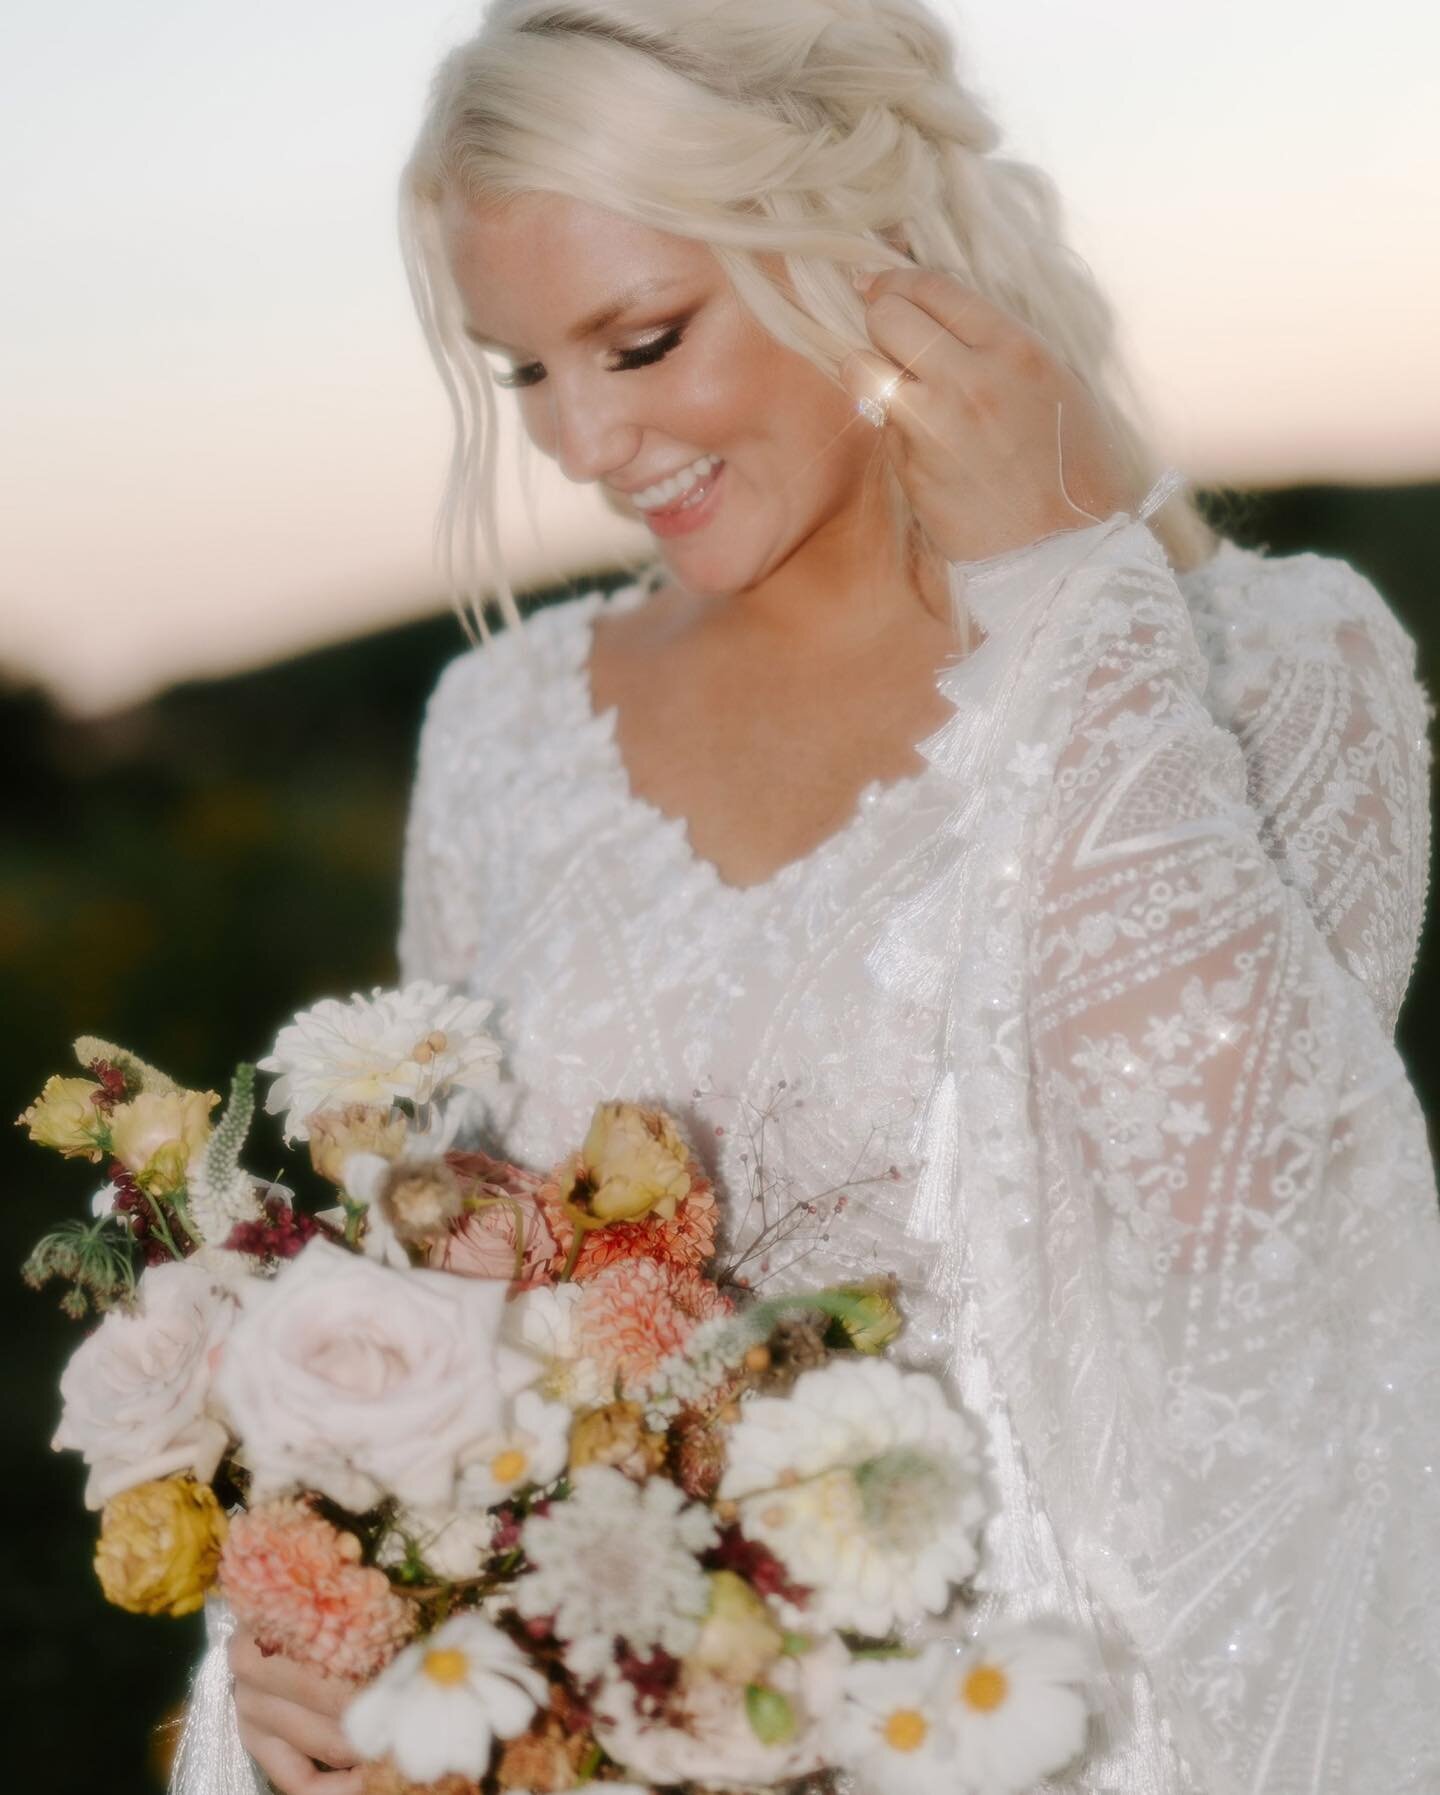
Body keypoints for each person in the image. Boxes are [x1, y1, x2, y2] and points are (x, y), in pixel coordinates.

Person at [175, 1, 1440, 1790]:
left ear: (862, 244)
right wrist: (343, 1639)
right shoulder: (504, 726)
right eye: (527, 370)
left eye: (642, 339)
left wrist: (1072, 605)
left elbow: (1261, 1248)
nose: (586, 448)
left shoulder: (1276, 665)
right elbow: (441, 1319)